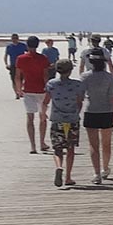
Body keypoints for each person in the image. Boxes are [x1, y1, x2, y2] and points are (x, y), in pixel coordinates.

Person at [41, 59, 83, 187]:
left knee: (57, 149)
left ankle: (59, 167)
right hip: (72, 120)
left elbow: (46, 101)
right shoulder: (77, 84)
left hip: (57, 119)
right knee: (70, 148)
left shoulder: (51, 84)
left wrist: (43, 113)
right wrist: (76, 112)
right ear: (70, 70)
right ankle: (68, 177)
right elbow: (79, 102)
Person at [80, 50, 113, 184]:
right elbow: (112, 96)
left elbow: (80, 95)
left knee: (93, 145)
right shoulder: (109, 77)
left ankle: (96, 173)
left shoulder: (85, 76)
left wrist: (76, 111)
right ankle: (105, 168)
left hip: (91, 111)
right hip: (107, 111)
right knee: (106, 143)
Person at [14, 36, 51, 154]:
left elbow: (18, 76)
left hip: (28, 90)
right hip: (41, 90)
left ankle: (33, 146)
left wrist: (18, 89)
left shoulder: (21, 58)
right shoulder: (43, 58)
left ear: (27, 45)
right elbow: (45, 76)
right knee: (42, 117)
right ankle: (42, 143)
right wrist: (48, 89)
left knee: (30, 118)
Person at [5, 34, 27, 100]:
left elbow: (29, 52)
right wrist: (6, 64)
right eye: (13, 38)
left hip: (22, 65)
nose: (14, 39)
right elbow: (6, 55)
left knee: (22, 79)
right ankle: (17, 93)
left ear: (18, 38)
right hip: (13, 65)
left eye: (16, 38)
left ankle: (20, 91)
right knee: (13, 80)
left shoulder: (22, 45)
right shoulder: (9, 47)